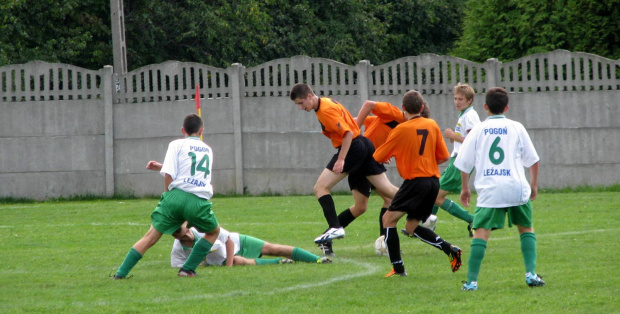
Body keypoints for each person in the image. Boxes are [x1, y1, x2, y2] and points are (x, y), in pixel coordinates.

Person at [454, 87, 545, 291]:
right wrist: (534, 184)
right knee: (526, 228)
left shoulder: (478, 129)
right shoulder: (517, 127)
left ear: (485, 107)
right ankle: (531, 274)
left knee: (481, 233)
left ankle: (472, 282)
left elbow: (464, 163)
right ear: (506, 107)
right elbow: (534, 160)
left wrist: (465, 188)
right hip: (516, 186)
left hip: (490, 188)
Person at [289, 83, 399, 251]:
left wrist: (341, 159)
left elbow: (347, 133)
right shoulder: (326, 102)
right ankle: (424, 205)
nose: (300, 107)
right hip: (363, 144)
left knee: (320, 188)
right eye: (298, 104)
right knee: (373, 200)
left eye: (301, 103)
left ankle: (334, 227)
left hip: (353, 148)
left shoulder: (325, 110)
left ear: (310, 96)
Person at [113, 113, 221, 279]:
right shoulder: (208, 149)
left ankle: (120, 274)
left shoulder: (176, 144)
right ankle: (188, 269)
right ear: (201, 131)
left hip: (175, 196)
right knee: (213, 232)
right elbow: (192, 172)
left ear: (182, 130)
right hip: (198, 200)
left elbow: (170, 174)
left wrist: (167, 197)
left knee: (150, 237)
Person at [373, 90, 462, 277]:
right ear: (422, 108)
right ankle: (451, 250)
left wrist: (400, 154)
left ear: (403, 109)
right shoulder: (431, 124)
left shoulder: (401, 129)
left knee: (388, 220)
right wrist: (425, 161)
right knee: (411, 227)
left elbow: (378, 156)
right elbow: (444, 156)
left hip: (415, 182)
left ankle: (398, 268)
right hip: (432, 182)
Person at [428, 83, 479, 237]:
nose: (457, 102)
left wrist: (453, 136)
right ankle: (428, 225)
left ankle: (472, 220)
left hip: (461, 161)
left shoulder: (470, 116)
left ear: (470, 100)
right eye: (455, 98)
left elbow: (474, 140)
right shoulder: (464, 114)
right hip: (457, 160)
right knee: (435, 192)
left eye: (461, 99)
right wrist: (455, 139)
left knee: (436, 195)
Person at [171, 222, 331, 267]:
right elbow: (181, 266)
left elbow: (228, 241)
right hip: (221, 259)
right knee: (239, 261)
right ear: (174, 236)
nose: (187, 233)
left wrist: (228, 267)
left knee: (273, 248)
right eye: (183, 234)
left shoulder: (202, 228)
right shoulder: (178, 249)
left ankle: (317, 259)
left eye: (186, 230)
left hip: (237, 241)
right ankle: (280, 262)